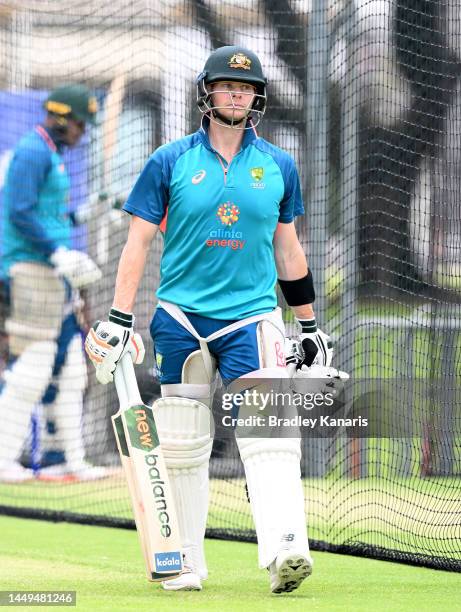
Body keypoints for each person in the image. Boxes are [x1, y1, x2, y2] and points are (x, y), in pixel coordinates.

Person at [85, 46, 331, 594]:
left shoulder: (278, 165)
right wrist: (120, 318)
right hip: (181, 317)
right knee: (183, 439)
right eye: (227, 85)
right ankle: (185, 560)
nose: (237, 94)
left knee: (270, 435)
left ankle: (286, 549)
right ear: (208, 92)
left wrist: (309, 326)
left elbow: (289, 252)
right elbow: (138, 243)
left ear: (257, 97)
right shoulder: (170, 161)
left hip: (252, 316)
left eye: (246, 88)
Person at [0, 84, 107, 482]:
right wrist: (58, 253)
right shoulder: (32, 151)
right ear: (63, 118)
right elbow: (19, 214)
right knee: (34, 365)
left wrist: (84, 215)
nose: (83, 132)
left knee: (73, 370)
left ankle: (73, 459)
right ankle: (3, 458)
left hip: (52, 272)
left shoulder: (52, 152)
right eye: (81, 123)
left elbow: (49, 215)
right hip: (29, 269)